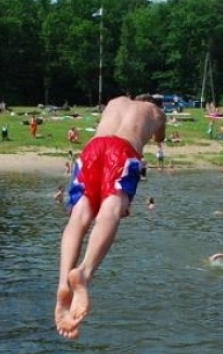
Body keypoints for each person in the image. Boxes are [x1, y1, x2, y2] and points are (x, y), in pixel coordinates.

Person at [55, 95, 165, 340]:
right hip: (123, 151)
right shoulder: (156, 112)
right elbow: (160, 138)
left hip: (92, 149)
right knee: (111, 208)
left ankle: (64, 282)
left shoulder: (116, 101)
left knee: (79, 215)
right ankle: (84, 272)